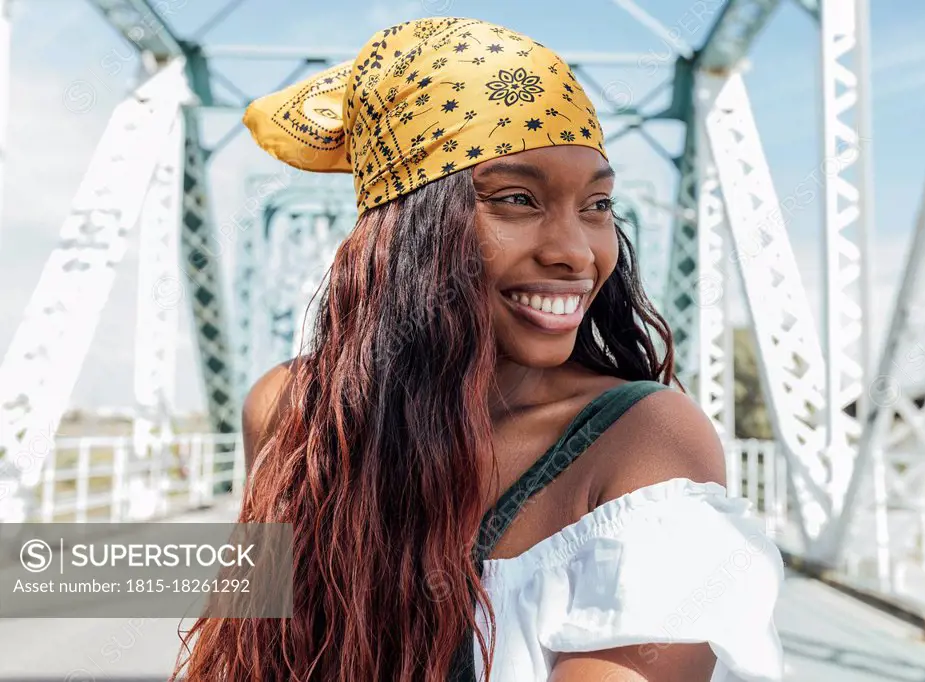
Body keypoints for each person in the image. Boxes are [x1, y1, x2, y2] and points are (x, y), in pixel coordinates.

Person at [172, 16, 784, 682]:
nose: (575, 251)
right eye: (518, 199)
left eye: (598, 203)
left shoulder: (645, 443)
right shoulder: (289, 410)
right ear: (407, 230)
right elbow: (258, 656)